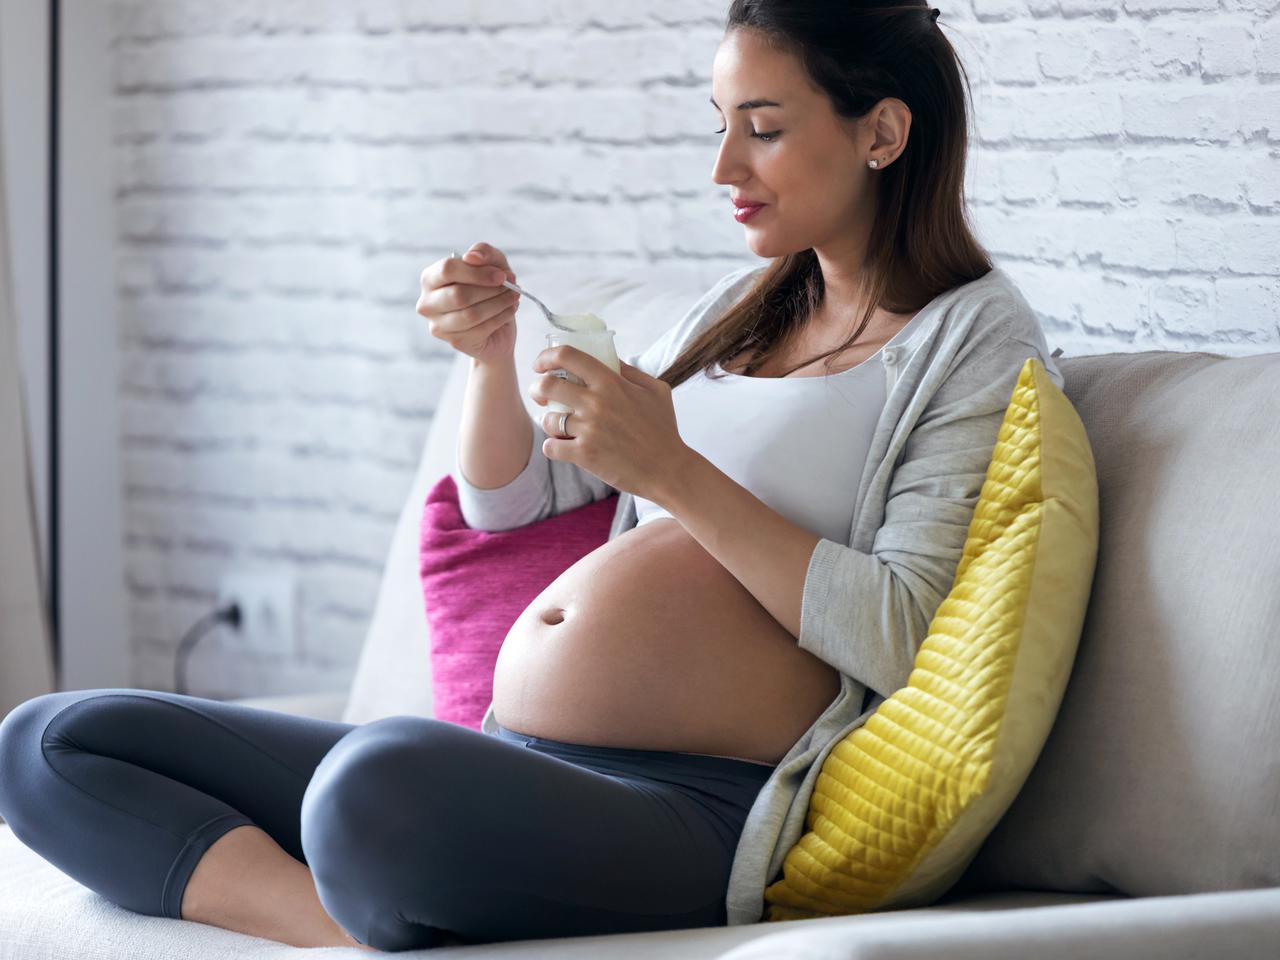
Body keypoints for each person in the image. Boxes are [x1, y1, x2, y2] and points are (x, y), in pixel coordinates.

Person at [0, 1, 1064, 952]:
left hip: (692, 803)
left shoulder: (969, 343)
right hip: (510, 760)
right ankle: (330, 929)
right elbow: (506, 510)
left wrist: (674, 470)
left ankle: (366, 881)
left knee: (370, 791)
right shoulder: (736, 315)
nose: (722, 168)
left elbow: (906, 636)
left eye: (765, 128)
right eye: (719, 120)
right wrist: (487, 359)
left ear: (880, 131)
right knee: (48, 740)